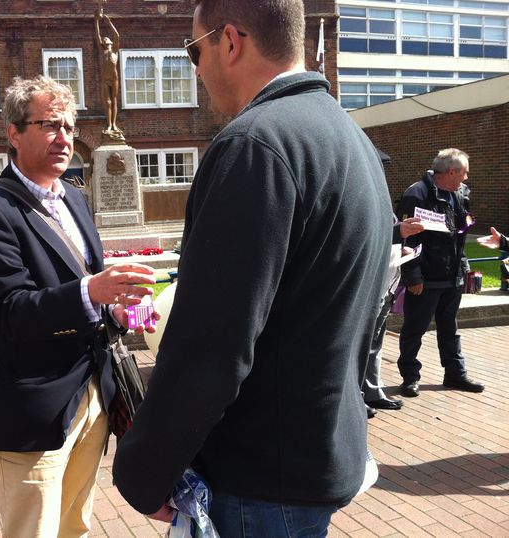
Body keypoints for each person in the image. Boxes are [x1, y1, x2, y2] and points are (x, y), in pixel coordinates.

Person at [112, 0, 393, 535]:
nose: (195, 68)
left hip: (257, 478)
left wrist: (143, 472)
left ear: (232, 41)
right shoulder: (348, 137)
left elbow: (212, 345)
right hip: (314, 457)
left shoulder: (255, 144)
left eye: (194, 51)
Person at [0, 75, 156, 537]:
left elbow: (87, 288)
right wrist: (92, 291)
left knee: (75, 525)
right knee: (34, 530)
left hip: (93, 395)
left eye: (69, 126)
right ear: (13, 132)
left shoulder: (76, 198)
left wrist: (120, 312)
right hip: (33, 407)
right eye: (49, 125)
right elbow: (9, 310)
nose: (64, 137)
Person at [396, 148, 484, 397]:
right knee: (415, 329)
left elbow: (458, 236)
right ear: (452, 171)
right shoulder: (417, 193)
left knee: (450, 330)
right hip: (425, 278)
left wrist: (462, 268)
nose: (466, 178)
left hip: (451, 276)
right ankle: (410, 377)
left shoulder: (460, 194)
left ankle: (455, 374)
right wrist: (413, 275)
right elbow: (407, 239)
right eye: (464, 173)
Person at [364, 217, 424, 418]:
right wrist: (398, 232)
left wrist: (402, 249)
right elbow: (367, 234)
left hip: (387, 284)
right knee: (360, 345)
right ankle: (355, 397)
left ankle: (372, 391)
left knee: (375, 343)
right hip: (369, 285)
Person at [94, 6, 121, 134]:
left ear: (109, 42)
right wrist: (96, 20)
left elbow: (117, 35)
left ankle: (114, 124)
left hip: (114, 78)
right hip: (105, 79)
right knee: (108, 102)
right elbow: (97, 34)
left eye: (106, 39)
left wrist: (109, 22)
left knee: (114, 100)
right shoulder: (103, 51)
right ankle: (109, 124)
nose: (104, 39)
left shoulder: (115, 50)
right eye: (103, 40)